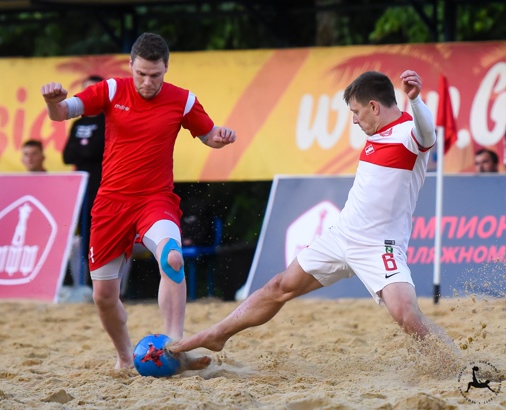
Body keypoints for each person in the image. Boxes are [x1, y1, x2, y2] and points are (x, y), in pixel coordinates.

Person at [169, 70, 458, 367]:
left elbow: (428, 136)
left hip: (378, 246)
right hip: (341, 235)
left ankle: (456, 365)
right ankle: (218, 334)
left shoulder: (409, 134)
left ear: (374, 106)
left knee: (407, 315)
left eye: (356, 112)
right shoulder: (377, 134)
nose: (354, 120)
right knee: (280, 286)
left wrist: (416, 100)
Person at [41, 32, 236, 371]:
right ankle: (124, 356)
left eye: (155, 75)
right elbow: (62, 113)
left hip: (155, 200)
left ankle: (176, 347)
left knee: (173, 259)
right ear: (130, 65)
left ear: (166, 68)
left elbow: (209, 135)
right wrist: (52, 102)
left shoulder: (183, 100)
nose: (147, 82)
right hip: (111, 204)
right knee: (103, 296)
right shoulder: (111, 90)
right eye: (141, 74)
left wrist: (220, 137)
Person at [63, 75, 106, 287]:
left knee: (96, 235)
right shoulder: (77, 123)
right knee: (76, 236)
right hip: (80, 189)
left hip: (101, 187)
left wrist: (84, 150)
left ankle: (95, 282)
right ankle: (78, 284)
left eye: (95, 90)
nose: (90, 95)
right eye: (86, 90)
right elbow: (67, 156)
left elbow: (96, 150)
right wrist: (87, 150)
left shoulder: (108, 120)